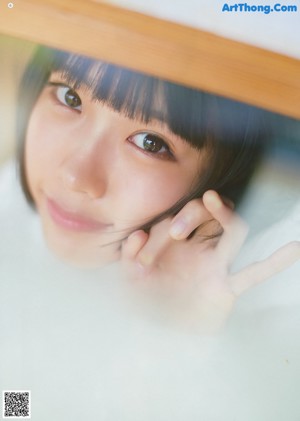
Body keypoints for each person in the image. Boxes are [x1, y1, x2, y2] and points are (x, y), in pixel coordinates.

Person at [17, 46, 300, 331]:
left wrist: (170, 332)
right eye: (69, 97)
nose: (75, 177)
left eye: (150, 143)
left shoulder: (273, 305)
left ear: (222, 175)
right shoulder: (9, 207)